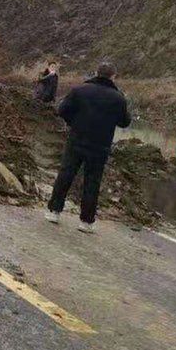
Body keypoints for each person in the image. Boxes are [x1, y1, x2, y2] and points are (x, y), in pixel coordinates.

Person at [46, 62, 131, 233]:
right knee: (92, 182)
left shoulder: (80, 90)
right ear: (113, 76)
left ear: (96, 73)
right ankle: (86, 221)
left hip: (77, 139)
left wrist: (73, 123)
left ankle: (54, 211)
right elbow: (124, 122)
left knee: (66, 174)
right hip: (100, 145)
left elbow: (62, 110)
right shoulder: (118, 98)